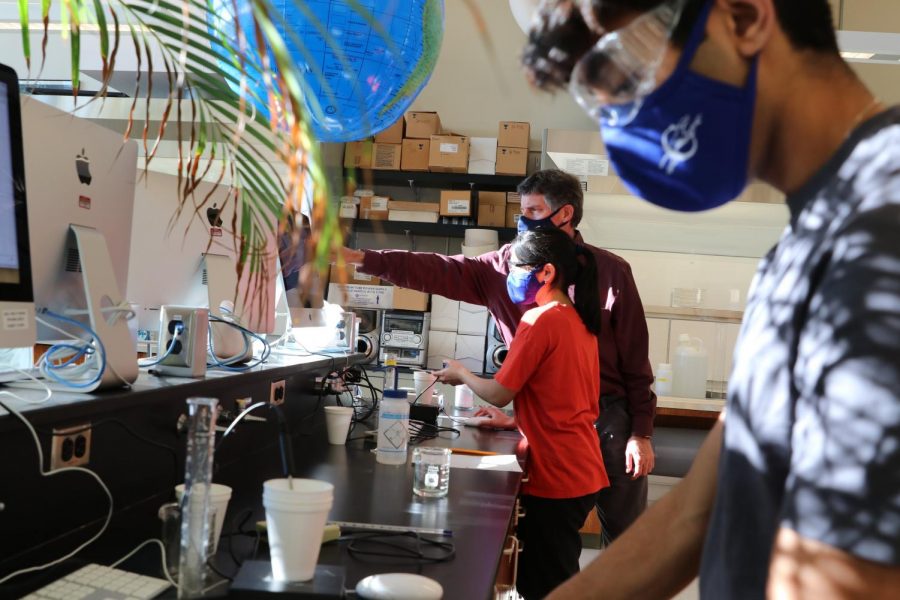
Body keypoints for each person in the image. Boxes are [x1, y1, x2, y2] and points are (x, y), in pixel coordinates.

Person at [520, 0, 900, 598]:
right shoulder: (809, 239)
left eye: (625, 75)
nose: (622, 121)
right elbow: (696, 515)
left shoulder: (882, 229)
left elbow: (848, 582)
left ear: (745, 19)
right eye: (601, 100)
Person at [342, 169, 657, 543]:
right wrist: (360, 258)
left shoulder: (607, 275)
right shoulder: (506, 264)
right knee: (551, 540)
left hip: (610, 424)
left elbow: (636, 363)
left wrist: (641, 432)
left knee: (626, 543)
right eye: (520, 212)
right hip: (550, 427)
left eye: (533, 211)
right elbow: (438, 269)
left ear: (565, 214)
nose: (523, 222)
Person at [433, 227, 606, 599]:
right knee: (554, 576)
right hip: (580, 467)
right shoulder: (578, 320)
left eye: (516, 267)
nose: (511, 276)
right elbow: (568, 400)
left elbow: (497, 392)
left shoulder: (539, 320)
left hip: (557, 473)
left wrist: (461, 373)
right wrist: (517, 420)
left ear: (546, 273)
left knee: (545, 586)